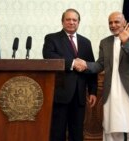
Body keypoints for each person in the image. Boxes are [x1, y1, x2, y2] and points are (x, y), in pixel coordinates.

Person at [75, 11, 129, 141]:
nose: (113, 25)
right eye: (110, 22)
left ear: (124, 23)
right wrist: (86, 65)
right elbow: (100, 65)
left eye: (117, 22)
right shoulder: (105, 42)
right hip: (112, 91)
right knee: (113, 128)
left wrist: (126, 41)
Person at [42, 8, 97, 141]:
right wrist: (73, 63)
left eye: (74, 20)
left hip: (79, 96)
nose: (71, 22)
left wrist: (93, 91)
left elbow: (91, 68)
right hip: (60, 94)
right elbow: (49, 57)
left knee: (77, 133)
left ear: (78, 22)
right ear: (62, 22)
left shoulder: (86, 42)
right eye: (68, 19)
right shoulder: (51, 38)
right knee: (57, 132)